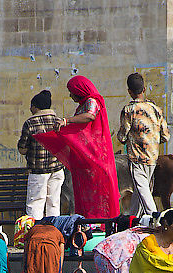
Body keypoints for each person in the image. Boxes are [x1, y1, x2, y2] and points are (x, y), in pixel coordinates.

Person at [35, 76, 120, 219]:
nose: (70, 95)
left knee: (98, 197)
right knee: (86, 197)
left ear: (79, 91)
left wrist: (66, 121)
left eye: (71, 91)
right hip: (85, 158)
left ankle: (99, 225)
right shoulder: (82, 104)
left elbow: (90, 116)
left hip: (95, 157)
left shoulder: (92, 101)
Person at [117, 72, 170, 217]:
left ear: (129, 92)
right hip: (153, 157)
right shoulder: (156, 109)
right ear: (144, 89)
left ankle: (156, 219)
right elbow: (165, 135)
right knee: (139, 191)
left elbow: (122, 136)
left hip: (136, 158)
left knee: (143, 191)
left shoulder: (129, 110)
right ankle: (132, 221)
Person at [17, 90, 64, 219]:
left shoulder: (30, 123)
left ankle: (35, 234)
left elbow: (22, 148)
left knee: (35, 204)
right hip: (57, 169)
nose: (30, 109)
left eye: (31, 106)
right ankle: (54, 233)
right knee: (54, 204)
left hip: (38, 171)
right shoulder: (58, 121)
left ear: (36, 107)